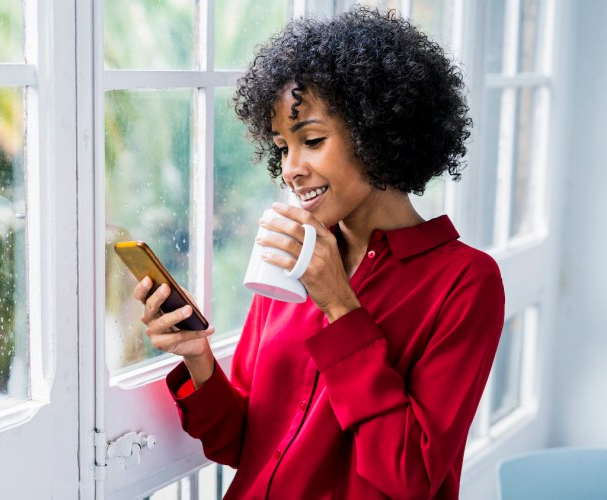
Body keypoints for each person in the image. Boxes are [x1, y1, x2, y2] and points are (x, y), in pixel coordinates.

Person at [131, 7, 505, 500]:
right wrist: (198, 357)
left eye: (311, 140)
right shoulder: (293, 257)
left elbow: (409, 476)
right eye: (282, 148)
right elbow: (244, 444)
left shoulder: (467, 283)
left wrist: (340, 306)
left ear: (378, 133)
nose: (290, 169)